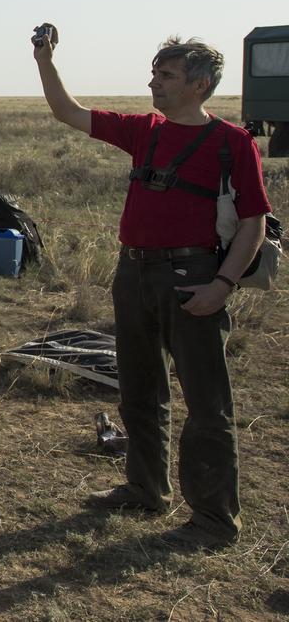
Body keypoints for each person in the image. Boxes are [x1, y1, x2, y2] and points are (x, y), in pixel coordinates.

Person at [33, 27, 269, 549]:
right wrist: (45, 61)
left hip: (194, 278)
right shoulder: (146, 131)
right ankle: (145, 488)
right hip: (134, 273)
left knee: (207, 403)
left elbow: (253, 223)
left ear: (199, 84)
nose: (153, 83)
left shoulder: (233, 143)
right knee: (139, 390)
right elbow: (68, 112)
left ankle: (213, 519)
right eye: (154, 73)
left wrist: (222, 285)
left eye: (166, 75)